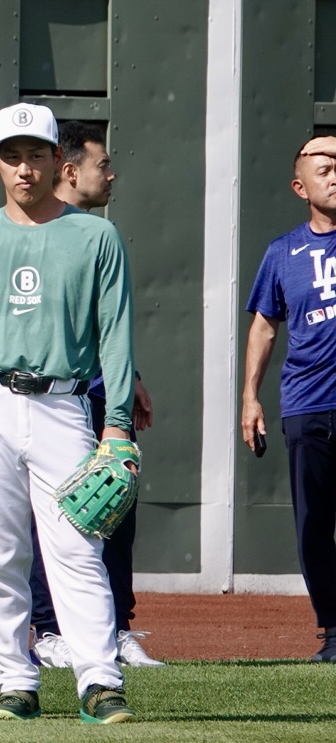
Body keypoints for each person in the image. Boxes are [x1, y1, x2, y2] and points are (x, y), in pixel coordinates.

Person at [0, 102, 137, 724]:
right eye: (13, 156)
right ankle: (14, 682)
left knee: (78, 547)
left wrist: (118, 422)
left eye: (37, 155)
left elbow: (115, 333)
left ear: (57, 161)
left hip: (63, 403)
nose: (25, 168)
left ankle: (99, 681)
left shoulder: (96, 237)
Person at [28, 121, 164, 669]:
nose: (111, 174)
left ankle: (115, 630)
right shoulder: (38, 233)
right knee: (55, 514)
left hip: (105, 395)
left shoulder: (98, 235)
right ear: (69, 170)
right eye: (102, 164)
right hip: (60, 399)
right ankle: (51, 631)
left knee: (114, 508)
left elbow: (107, 324)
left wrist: (131, 381)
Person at [242, 134, 336, 663]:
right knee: (313, 526)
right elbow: (264, 327)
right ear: (300, 187)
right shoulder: (283, 252)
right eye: (325, 168)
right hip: (307, 406)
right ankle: (334, 630)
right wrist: (249, 398)